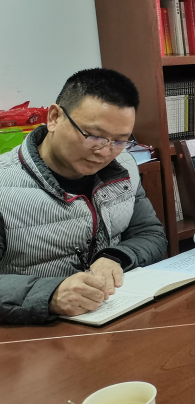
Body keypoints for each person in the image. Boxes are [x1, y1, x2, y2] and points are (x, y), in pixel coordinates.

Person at [0, 69, 167, 325]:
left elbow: (151, 234)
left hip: (115, 318)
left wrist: (116, 257)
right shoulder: (5, 188)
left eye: (119, 141)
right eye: (94, 136)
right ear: (54, 118)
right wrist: (50, 295)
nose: (105, 151)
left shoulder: (124, 166)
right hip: (34, 333)